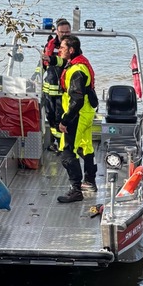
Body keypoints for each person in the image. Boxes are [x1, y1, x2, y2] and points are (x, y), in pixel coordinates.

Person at [55, 34, 99, 204]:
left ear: (71, 50)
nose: (59, 50)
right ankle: (89, 181)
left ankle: (76, 190)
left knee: (67, 152)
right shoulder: (80, 63)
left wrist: (65, 120)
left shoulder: (76, 70)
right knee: (85, 146)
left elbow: (77, 99)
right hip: (87, 112)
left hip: (78, 114)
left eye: (62, 48)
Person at [41, 18, 70, 151]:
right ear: (57, 32)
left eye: (67, 32)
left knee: (61, 118)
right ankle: (57, 142)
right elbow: (43, 66)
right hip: (49, 89)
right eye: (62, 32)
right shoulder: (50, 45)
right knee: (50, 116)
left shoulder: (72, 47)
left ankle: (62, 143)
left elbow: (65, 63)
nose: (64, 34)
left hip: (63, 91)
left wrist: (51, 59)